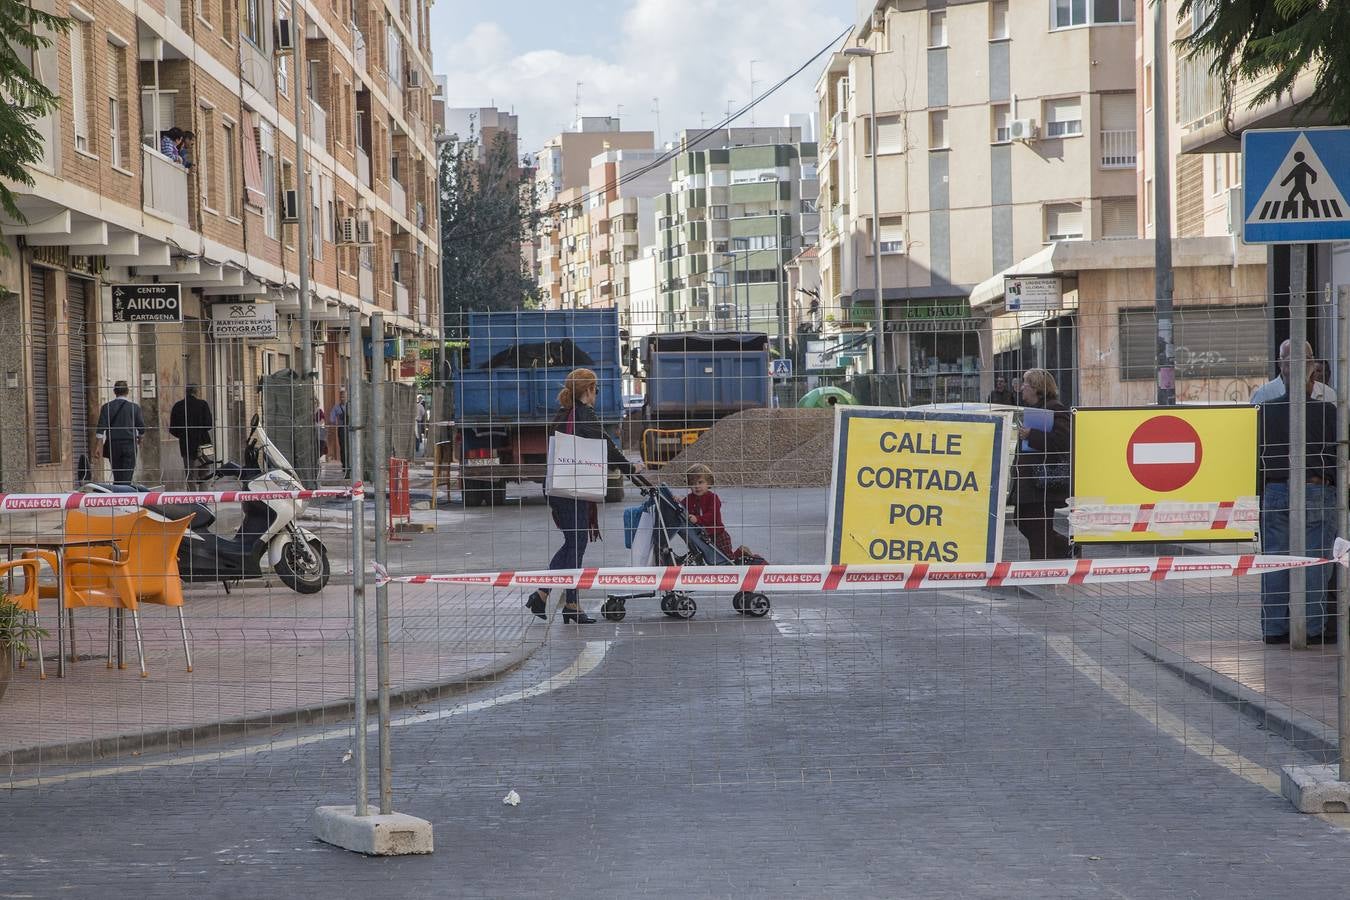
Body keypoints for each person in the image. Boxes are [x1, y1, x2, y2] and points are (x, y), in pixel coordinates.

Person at [525, 368, 636, 624]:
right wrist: (633, 470)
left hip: (558, 487)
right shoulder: (584, 415)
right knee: (575, 544)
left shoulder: (563, 414)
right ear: (588, 390)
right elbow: (607, 447)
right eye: (595, 389)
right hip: (571, 489)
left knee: (575, 544)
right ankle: (543, 593)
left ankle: (570, 603)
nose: (596, 394)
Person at [1256, 359, 1339, 645]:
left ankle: (1274, 628)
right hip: (1316, 489)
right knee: (1315, 561)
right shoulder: (1327, 411)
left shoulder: (1266, 411)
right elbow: (1337, 456)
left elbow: (1259, 457)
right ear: (1312, 377)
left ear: (1282, 372)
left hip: (1276, 489)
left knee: (1275, 561)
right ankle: (1313, 630)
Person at [1011, 368, 1073, 561]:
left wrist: (1032, 435)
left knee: (1038, 530)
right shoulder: (1037, 409)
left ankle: (1041, 571)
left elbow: (1063, 442)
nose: (1022, 388)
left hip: (1042, 482)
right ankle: (1066, 548)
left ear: (1037, 388)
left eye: (1026, 384)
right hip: (1030, 481)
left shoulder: (1055, 409)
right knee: (1023, 520)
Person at [93, 380, 147, 485]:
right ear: (127, 391)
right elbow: (141, 428)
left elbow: (100, 430)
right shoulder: (134, 408)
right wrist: (140, 440)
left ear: (114, 392)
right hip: (129, 444)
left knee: (117, 475)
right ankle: (125, 495)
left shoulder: (106, 407)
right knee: (127, 475)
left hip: (113, 445)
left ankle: (117, 494)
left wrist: (98, 446)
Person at [1251, 339, 1336, 404]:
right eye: (1290, 361)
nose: (1298, 366)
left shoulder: (1328, 393)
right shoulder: (1264, 394)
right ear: (1280, 363)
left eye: (1306, 360)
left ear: (1313, 362)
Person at [681, 463, 735, 559]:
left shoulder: (713, 498)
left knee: (727, 559)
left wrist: (697, 519)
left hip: (718, 536)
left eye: (700, 482)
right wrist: (677, 500)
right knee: (708, 558)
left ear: (708, 483)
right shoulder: (689, 498)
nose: (697, 486)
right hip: (702, 537)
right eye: (693, 484)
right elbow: (681, 507)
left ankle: (742, 553)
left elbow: (712, 515)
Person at [168, 384, 214, 487]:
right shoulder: (203, 404)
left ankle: (192, 498)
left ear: (186, 392)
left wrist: (184, 435)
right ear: (196, 392)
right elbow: (209, 424)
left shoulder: (178, 406)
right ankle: (203, 498)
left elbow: (173, 429)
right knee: (205, 471)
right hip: (204, 442)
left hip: (186, 443)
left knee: (190, 473)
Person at [329, 389, 350, 479]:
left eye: (344, 396)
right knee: (343, 449)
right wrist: (336, 420)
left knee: (351, 449)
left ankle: (352, 467)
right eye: (341, 396)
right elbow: (332, 419)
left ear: (347, 396)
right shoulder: (336, 407)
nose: (343, 398)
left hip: (351, 429)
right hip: (342, 429)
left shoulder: (351, 406)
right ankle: (345, 468)